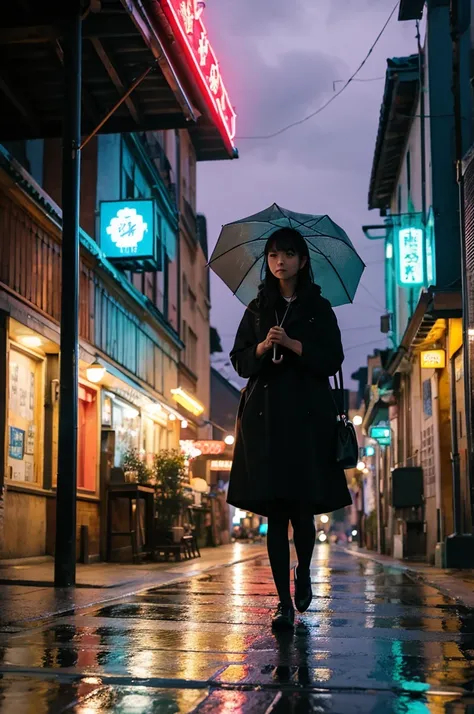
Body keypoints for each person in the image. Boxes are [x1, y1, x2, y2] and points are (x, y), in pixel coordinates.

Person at [227, 227, 352, 630]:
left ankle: (304, 572)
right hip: (265, 423)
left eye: (288, 254)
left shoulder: (319, 308)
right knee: (276, 514)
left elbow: (333, 358)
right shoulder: (256, 308)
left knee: (302, 513)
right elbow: (240, 360)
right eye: (273, 255)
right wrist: (263, 347)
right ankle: (282, 601)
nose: (279, 261)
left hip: (308, 421)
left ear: (302, 260)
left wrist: (295, 345)